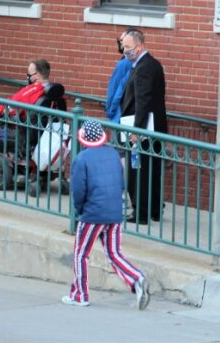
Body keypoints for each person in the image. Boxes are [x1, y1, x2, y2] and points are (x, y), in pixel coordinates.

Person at [62, 119, 149, 310]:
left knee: (81, 254)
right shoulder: (112, 154)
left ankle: (80, 294)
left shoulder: (82, 159)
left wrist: (79, 212)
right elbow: (121, 183)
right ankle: (136, 278)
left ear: (84, 137)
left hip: (92, 213)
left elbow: (78, 190)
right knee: (114, 253)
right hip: (114, 212)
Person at [119, 30, 167, 224]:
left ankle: (142, 212)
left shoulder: (144, 67)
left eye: (128, 47)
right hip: (154, 127)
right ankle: (154, 208)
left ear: (139, 47)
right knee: (152, 168)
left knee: (139, 170)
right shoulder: (151, 64)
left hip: (143, 128)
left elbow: (142, 100)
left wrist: (136, 131)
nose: (124, 51)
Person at [105, 29, 136, 124]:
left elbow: (114, 90)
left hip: (120, 113)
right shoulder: (137, 62)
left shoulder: (124, 64)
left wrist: (110, 110)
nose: (120, 44)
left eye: (122, 41)